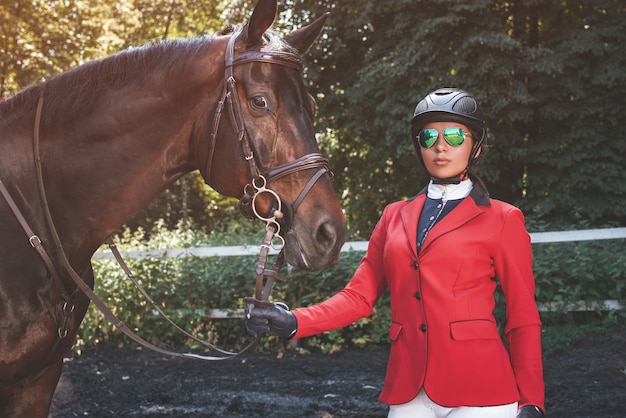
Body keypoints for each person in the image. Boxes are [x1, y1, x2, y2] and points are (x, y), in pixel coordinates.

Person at [246, 87, 545, 418]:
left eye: (455, 136)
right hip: (409, 389)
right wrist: (293, 321)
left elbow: (523, 318)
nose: (440, 146)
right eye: (428, 136)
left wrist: (531, 399)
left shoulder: (503, 219)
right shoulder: (394, 216)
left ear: (477, 145)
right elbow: (359, 297)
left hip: (482, 389)